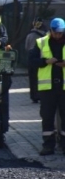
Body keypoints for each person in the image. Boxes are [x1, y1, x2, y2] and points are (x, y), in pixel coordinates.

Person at [28, 17, 65, 155]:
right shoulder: (41, 42)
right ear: (51, 30)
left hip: (63, 88)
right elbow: (31, 61)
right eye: (56, 33)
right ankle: (48, 145)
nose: (58, 35)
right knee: (47, 117)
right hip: (48, 88)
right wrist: (46, 61)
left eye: (60, 33)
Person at [25, 17, 46, 104]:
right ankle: (41, 94)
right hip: (42, 58)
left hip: (31, 58)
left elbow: (26, 47)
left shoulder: (29, 35)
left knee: (32, 78)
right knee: (41, 77)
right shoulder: (45, 36)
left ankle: (34, 96)